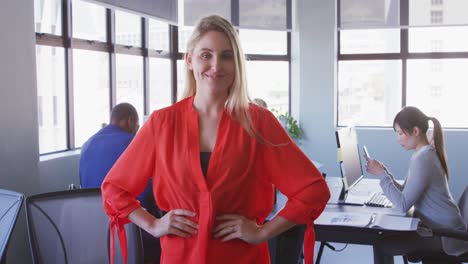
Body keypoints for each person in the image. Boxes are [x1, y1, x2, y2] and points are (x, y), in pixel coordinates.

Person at [101, 15, 330, 264]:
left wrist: (263, 231)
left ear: (237, 64)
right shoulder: (162, 123)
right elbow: (115, 189)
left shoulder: (258, 123)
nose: (216, 66)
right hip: (180, 257)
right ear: (190, 60)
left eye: (226, 56)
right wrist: (153, 225)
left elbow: (312, 190)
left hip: (242, 257)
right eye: (206, 55)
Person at [365, 106, 468, 258]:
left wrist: (381, 175)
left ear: (415, 131)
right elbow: (406, 192)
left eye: (400, 133)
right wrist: (385, 173)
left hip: (444, 236)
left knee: (383, 243)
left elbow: (403, 205)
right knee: (386, 238)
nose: (398, 138)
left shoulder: (424, 158)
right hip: (441, 229)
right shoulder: (423, 154)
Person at [79, 103, 161, 264]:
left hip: (94, 233)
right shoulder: (134, 143)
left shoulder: (86, 144)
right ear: (130, 121)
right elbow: (154, 192)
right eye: (137, 127)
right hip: (134, 230)